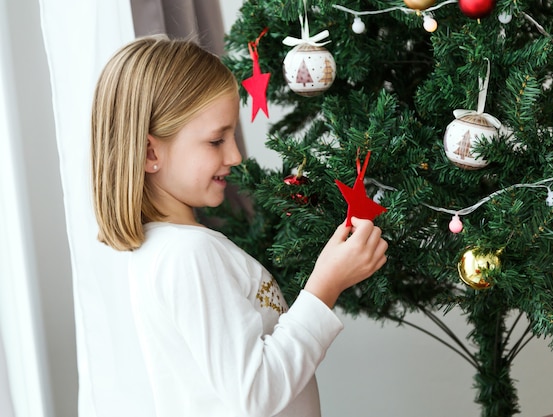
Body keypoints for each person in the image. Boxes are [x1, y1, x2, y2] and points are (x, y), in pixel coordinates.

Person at [91, 35, 388, 417]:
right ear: (151, 153)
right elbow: (255, 394)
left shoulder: (164, 250)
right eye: (216, 141)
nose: (234, 155)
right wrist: (325, 285)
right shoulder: (189, 255)